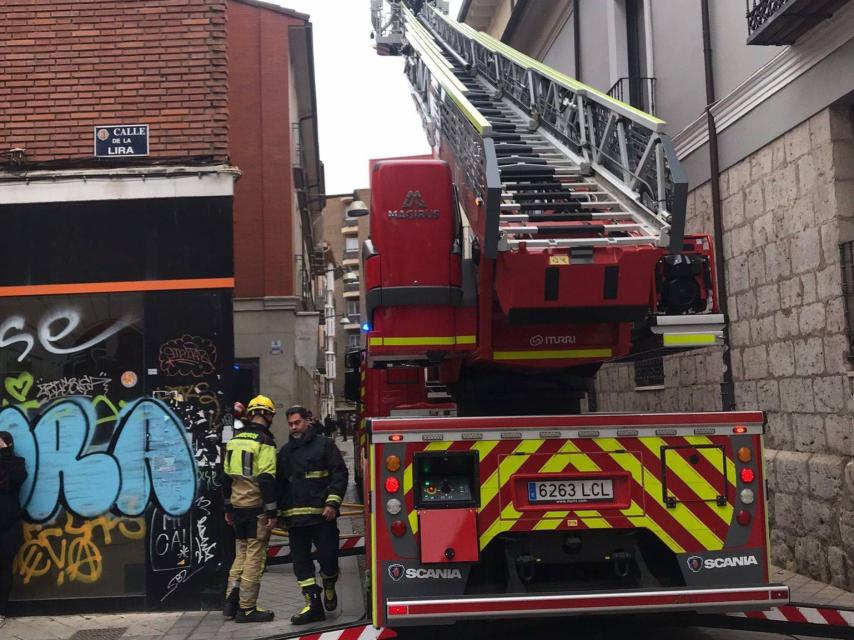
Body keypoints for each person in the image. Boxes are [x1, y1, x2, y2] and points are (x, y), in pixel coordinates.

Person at [277, 405, 348, 624]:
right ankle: (313, 605)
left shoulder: (325, 446)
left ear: (308, 421)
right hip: (296, 521)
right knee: (301, 565)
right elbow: (280, 485)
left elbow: (339, 474)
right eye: (290, 424)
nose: (294, 427)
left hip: (322, 517)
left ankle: (329, 584)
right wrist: (279, 513)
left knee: (328, 560)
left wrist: (332, 504)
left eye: (297, 422)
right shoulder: (285, 453)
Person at [222, 395, 278, 623]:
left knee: (241, 554)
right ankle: (247, 608)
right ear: (266, 414)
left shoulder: (235, 440)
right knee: (255, 557)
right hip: (256, 510)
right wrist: (273, 513)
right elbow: (266, 479)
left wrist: (228, 508)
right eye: (271, 415)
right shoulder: (264, 441)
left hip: (237, 508)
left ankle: (230, 602)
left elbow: (225, 478)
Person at [0, 431, 27, 628]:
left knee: (3, 569)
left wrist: (5, 455)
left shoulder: (16, 464)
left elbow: (17, 478)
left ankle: (1, 611)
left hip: (8, 526)